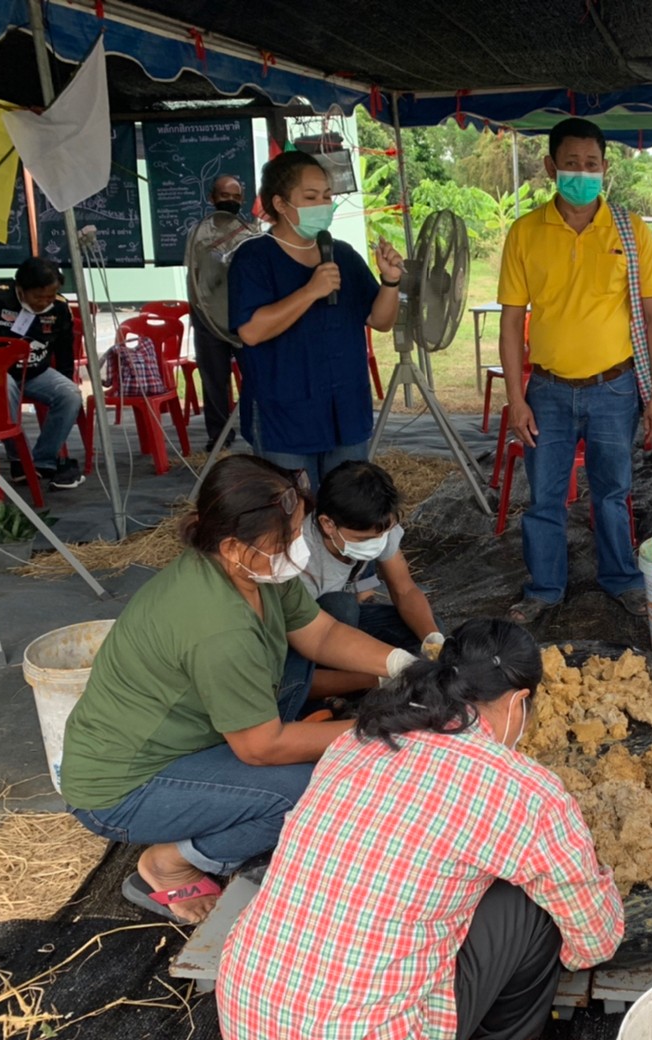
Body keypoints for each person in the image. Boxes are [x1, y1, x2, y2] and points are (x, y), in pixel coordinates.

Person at [219, 618, 624, 1040]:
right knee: (537, 900)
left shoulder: (357, 742)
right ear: (518, 702)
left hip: (251, 1031)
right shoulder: (523, 790)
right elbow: (594, 939)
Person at [59, 456, 418, 924]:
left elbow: (322, 634)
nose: (298, 545)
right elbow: (261, 748)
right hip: (122, 788)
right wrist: (383, 726)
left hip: (187, 744)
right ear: (232, 545)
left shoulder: (257, 571)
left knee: (313, 718)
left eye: (295, 531)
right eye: (287, 537)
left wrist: (401, 663)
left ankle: (219, 814)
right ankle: (171, 863)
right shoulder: (218, 627)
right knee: (312, 788)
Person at [497, 116, 652, 625]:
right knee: (544, 498)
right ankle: (544, 590)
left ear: (604, 168)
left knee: (613, 492)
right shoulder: (525, 232)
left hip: (614, 389)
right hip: (546, 391)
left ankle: (622, 579)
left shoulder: (629, 228)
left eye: (591, 164)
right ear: (551, 167)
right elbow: (511, 323)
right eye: (570, 164)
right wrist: (516, 396)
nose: (581, 172)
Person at [229, 151, 404, 488]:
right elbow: (251, 331)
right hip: (285, 416)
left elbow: (380, 320)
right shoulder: (254, 257)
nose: (323, 205)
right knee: (294, 517)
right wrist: (310, 291)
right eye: (311, 197)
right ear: (280, 204)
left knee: (348, 510)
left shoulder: (343, 255)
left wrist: (391, 281)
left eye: (326, 196)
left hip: (346, 412)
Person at [280, 459, 444, 709]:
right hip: (299, 640)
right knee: (340, 606)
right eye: (364, 539)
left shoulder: (378, 525)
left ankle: (356, 689)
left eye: (383, 533)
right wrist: (380, 676)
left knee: (428, 629)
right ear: (327, 524)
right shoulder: (300, 559)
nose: (377, 542)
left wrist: (433, 640)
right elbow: (303, 650)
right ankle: (332, 697)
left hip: (335, 629)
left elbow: (405, 589)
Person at [0, 256, 86, 489]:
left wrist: (65, 376)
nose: (44, 302)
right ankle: (19, 461)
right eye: (37, 297)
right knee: (6, 385)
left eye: (49, 296)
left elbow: (64, 351)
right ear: (20, 289)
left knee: (70, 394)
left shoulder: (60, 308)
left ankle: (43, 461)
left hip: (34, 372)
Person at [186, 173, 250, 452]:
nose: (231, 201)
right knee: (214, 378)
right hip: (207, 315)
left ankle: (256, 425)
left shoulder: (252, 231)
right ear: (212, 198)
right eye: (225, 196)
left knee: (256, 373)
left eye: (236, 197)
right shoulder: (198, 233)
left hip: (244, 315)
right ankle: (220, 434)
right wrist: (203, 311)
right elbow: (195, 276)